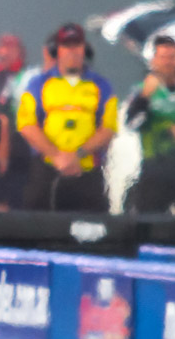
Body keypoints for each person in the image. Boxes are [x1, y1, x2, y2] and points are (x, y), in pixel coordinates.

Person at [17, 23, 117, 212]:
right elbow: (26, 125)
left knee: (92, 226)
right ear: (57, 50)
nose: (72, 51)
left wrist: (78, 155)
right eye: (66, 46)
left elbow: (109, 128)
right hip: (47, 170)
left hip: (87, 170)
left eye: (76, 45)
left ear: (84, 49)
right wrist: (56, 156)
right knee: (38, 225)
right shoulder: (38, 84)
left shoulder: (102, 85)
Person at [0, 35, 56, 211]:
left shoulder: (29, 75)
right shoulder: (6, 77)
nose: (5, 52)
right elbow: (4, 117)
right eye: (3, 48)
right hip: (17, 149)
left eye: (10, 48)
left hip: (41, 151)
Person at [124, 35, 175, 213]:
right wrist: (144, 98)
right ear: (153, 60)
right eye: (163, 57)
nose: (168, 62)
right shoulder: (142, 89)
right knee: (149, 220)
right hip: (155, 166)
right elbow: (131, 124)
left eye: (172, 57)